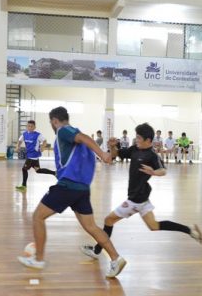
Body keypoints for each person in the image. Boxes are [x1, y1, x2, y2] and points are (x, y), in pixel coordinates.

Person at [18, 106, 127, 278]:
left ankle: (38, 259)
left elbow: (83, 138)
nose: (52, 125)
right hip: (82, 189)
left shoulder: (64, 131)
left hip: (68, 186)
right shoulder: (80, 141)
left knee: (38, 217)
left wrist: (102, 153)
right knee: (91, 226)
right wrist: (107, 152)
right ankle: (116, 258)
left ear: (55, 121)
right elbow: (85, 146)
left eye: (51, 122)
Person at [81, 123, 202, 261]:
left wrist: (153, 172)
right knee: (154, 226)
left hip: (136, 200)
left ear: (148, 140)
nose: (136, 140)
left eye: (139, 138)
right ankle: (190, 230)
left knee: (108, 220)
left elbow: (163, 170)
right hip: (143, 198)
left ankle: (97, 251)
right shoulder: (134, 149)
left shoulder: (152, 155)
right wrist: (113, 146)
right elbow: (115, 155)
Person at [15, 120, 56, 192]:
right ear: (27, 127)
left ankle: (24, 186)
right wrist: (17, 147)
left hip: (33, 155)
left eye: (31, 126)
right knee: (38, 170)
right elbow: (20, 141)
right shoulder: (24, 134)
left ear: (34, 127)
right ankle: (54, 173)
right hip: (31, 156)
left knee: (24, 169)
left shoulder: (38, 135)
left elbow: (44, 141)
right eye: (28, 126)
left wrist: (43, 147)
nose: (30, 128)